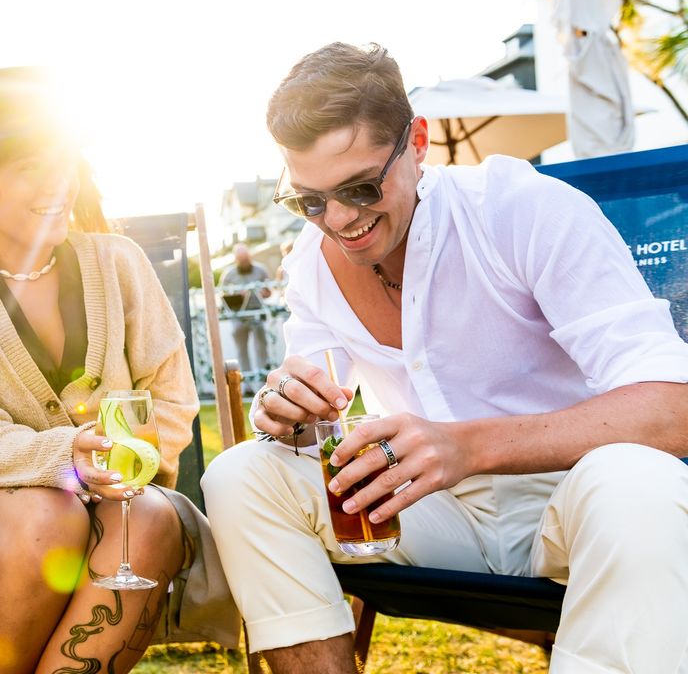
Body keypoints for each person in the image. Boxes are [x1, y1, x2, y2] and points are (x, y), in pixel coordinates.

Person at [201, 42, 688, 674]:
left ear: (418, 142)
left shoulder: (524, 211)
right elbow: (315, 412)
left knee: (638, 481)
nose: (340, 220)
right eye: (311, 200)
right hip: (430, 513)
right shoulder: (308, 265)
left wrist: (468, 445)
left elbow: (672, 405)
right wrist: (290, 413)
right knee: (242, 474)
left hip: (575, 503)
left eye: (361, 186)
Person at [0, 67, 237, 674]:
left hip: (122, 496)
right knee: (45, 514)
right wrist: (67, 460)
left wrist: (115, 473)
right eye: (30, 165)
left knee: (149, 516)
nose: (56, 184)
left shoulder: (121, 262)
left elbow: (171, 402)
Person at [219, 244, 273, 376]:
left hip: (256, 314)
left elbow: (269, 291)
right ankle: (245, 382)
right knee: (241, 350)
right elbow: (222, 296)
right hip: (238, 317)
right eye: (241, 259)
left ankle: (264, 377)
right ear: (236, 259)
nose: (244, 261)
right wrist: (239, 295)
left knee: (262, 347)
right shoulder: (228, 274)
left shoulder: (261, 270)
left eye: (246, 258)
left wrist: (260, 292)